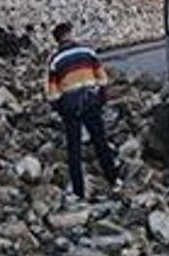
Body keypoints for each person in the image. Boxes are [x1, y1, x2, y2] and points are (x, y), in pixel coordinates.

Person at [45, 22, 122, 199]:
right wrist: (102, 97)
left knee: (74, 148)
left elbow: (52, 91)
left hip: (70, 106)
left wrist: (58, 108)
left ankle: (79, 190)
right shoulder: (87, 52)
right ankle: (113, 179)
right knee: (100, 142)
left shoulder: (55, 59)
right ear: (70, 34)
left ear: (56, 40)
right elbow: (102, 77)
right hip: (90, 101)